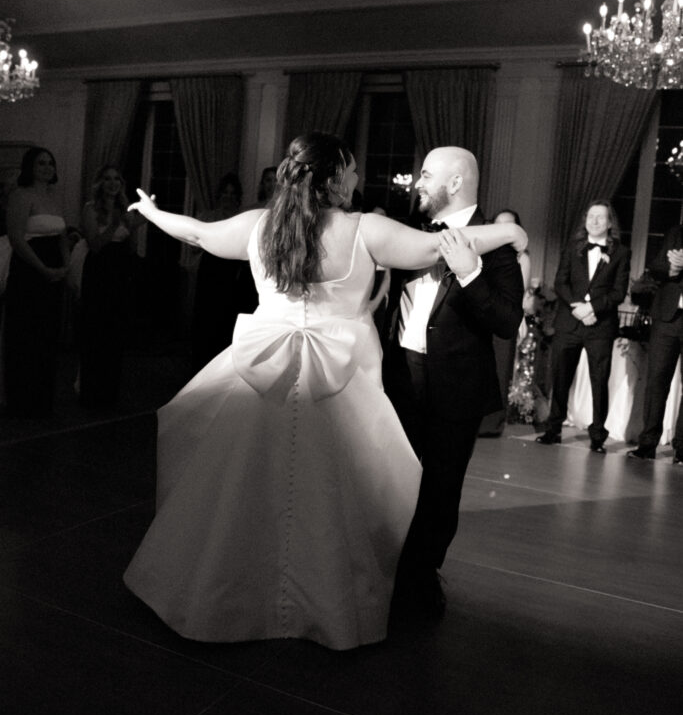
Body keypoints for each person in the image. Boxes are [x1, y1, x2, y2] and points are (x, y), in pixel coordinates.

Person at [123, 133, 525, 651]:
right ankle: (324, 604)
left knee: (246, 485)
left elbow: (199, 236)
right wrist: (510, 233)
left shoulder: (260, 223)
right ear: (334, 178)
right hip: (337, 380)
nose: (359, 179)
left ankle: (225, 592)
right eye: (353, 170)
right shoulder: (366, 229)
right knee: (332, 493)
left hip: (262, 372)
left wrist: (153, 214)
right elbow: (434, 247)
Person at [384, 148, 525, 619]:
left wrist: (469, 272)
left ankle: (419, 581)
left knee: (440, 491)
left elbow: (506, 322)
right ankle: (381, 569)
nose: (417, 183)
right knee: (388, 479)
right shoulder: (409, 232)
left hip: (456, 385)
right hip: (399, 376)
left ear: (457, 181)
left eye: (425, 174)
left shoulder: (497, 246)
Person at [536, 200, 630, 452]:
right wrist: (578, 308)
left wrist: (593, 308)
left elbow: (619, 291)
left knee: (599, 380)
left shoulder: (621, 252)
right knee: (561, 376)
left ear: (610, 223)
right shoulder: (572, 248)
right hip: (569, 323)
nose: (595, 221)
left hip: (600, 327)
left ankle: (597, 436)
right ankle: (553, 430)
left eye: (601, 217)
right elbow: (560, 282)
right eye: (591, 216)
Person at [3, 147, 70, 417]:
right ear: (30, 166)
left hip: (53, 269)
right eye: (41, 163)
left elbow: (63, 234)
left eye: (50, 163)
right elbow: (17, 238)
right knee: (25, 334)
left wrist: (65, 265)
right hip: (30, 271)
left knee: (47, 334)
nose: (46, 167)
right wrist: (43, 268)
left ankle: (42, 398)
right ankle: (22, 399)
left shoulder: (53, 197)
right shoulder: (21, 195)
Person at [78, 164, 140, 408]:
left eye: (117, 179)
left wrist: (131, 226)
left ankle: (110, 392)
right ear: (100, 183)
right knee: (95, 330)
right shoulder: (90, 209)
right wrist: (114, 224)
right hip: (99, 270)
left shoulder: (124, 209)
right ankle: (91, 392)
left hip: (119, 271)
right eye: (107, 179)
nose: (113, 183)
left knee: (115, 331)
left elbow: (132, 247)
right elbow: (94, 244)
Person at [627, 223, 683, 463]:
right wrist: (673, 267)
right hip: (667, 316)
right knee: (656, 381)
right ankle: (647, 443)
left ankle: (682, 449)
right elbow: (656, 267)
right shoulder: (676, 231)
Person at [191, 172, 258, 373]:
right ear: (219, 195)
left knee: (226, 318)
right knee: (205, 316)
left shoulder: (241, 217)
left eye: (232, 193)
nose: (228, 196)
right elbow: (194, 247)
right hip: (210, 270)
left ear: (237, 196)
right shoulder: (208, 216)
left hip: (231, 273)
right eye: (225, 192)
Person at [478, 208, 532, 436]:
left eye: (509, 225)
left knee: (500, 370)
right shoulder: (484, 251)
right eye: (499, 224)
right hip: (484, 316)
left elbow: (519, 295)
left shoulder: (522, 257)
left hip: (505, 317)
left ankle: (493, 424)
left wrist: (519, 320)